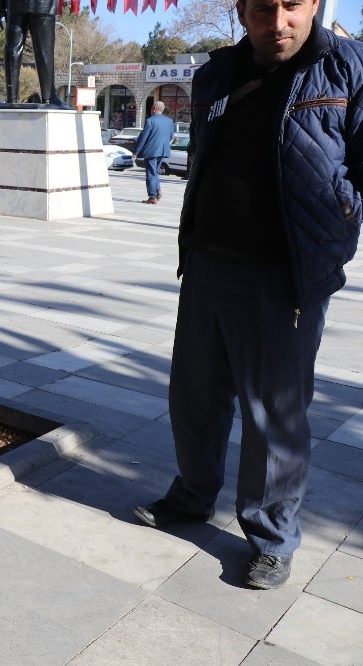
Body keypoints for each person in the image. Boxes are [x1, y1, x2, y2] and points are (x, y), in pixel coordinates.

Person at [133, 0, 363, 591]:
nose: (278, 21)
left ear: (314, 5)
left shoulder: (347, 68)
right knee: (195, 398)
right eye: (264, 8)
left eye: (292, 6)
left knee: (275, 417)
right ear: (241, 10)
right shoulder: (217, 72)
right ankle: (191, 496)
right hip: (209, 264)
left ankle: (271, 536)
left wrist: (340, 215)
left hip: (285, 276)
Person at [0, 0, 71, 108]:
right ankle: (49, 97)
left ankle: (11, 98)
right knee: (45, 51)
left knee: (13, 48)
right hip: (43, 5)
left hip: (15, 5)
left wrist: (1, 7)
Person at [133, 100, 175, 204]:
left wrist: (136, 151)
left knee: (151, 173)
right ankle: (158, 191)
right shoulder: (169, 121)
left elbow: (143, 137)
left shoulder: (150, 121)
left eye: (152, 107)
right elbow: (171, 136)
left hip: (151, 151)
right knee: (155, 171)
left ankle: (152, 196)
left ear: (154, 109)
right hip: (163, 150)